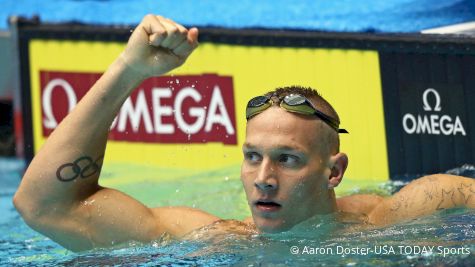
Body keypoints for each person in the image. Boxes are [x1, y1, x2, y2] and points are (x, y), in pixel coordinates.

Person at [13, 15, 475, 252]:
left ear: (333, 171)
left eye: (287, 159)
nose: (263, 177)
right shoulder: (215, 239)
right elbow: (41, 207)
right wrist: (128, 70)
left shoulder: (397, 219)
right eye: (252, 156)